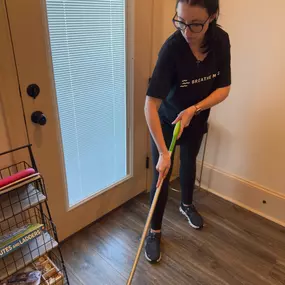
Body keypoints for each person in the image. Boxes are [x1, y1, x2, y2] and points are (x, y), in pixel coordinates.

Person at [144, 0, 231, 263]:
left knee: (189, 162)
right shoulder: (172, 49)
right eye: (180, 21)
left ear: (212, 17)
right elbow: (150, 104)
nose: (187, 31)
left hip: (195, 117)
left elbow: (223, 88)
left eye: (195, 24)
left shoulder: (221, 41)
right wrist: (162, 152)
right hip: (167, 122)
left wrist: (194, 108)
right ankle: (154, 232)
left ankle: (186, 205)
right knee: (162, 174)